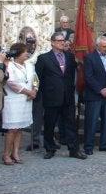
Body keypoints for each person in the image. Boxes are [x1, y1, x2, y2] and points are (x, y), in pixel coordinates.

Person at [35, 32, 87, 160]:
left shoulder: (69, 57)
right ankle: (50, 148)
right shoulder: (43, 58)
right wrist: (40, 93)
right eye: (58, 41)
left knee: (70, 124)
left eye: (63, 40)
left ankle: (73, 149)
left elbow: (76, 69)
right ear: (52, 42)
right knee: (49, 124)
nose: (62, 42)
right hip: (51, 97)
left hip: (67, 97)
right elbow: (37, 78)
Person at [82, 36, 106, 155]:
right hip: (94, 95)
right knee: (91, 121)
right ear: (97, 46)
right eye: (104, 46)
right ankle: (88, 145)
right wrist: (100, 89)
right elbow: (88, 76)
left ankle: (104, 144)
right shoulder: (89, 57)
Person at [1, 43, 36, 165]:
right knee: (12, 129)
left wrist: (34, 90)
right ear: (18, 53)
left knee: (20, 128)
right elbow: (11, 82)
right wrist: (28, 92)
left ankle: (15, 152)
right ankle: (6, 154)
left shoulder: (29, 65)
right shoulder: (9, 65)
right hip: (13, 100)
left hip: (26, 101)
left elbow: (35, 79)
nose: (27, 53)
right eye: (25, 51)